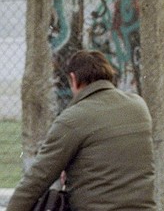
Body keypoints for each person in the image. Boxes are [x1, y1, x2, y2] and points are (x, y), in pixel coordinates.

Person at [7, 49, 156, 210]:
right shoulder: (139, 106)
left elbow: (36, 180)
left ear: (73, 79)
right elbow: (112, 157)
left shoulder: (72, 119)